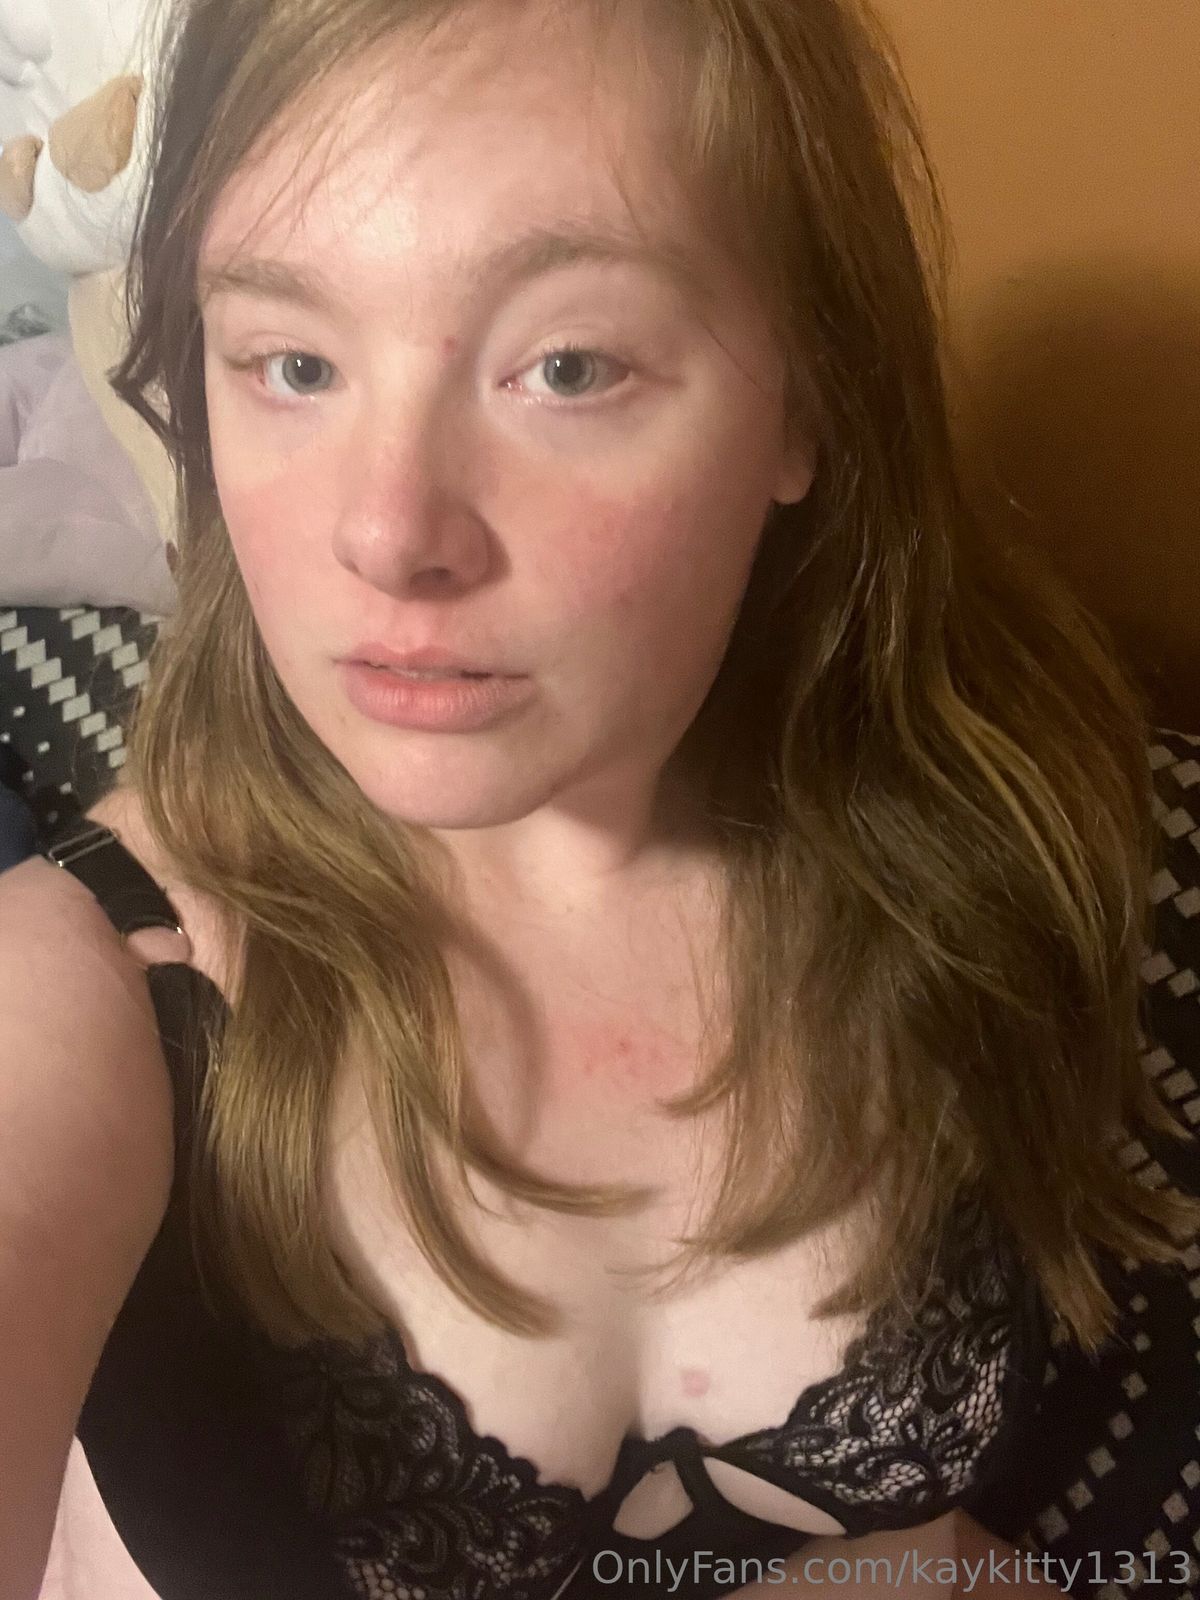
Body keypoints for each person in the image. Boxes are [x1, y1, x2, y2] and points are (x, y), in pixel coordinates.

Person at [3, 0, 1198, 1596]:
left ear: (807, 399)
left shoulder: (1010, 832)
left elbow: (931, 1540)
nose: (389, 532)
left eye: (565, 366)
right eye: (294, 364)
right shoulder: (83, 989)